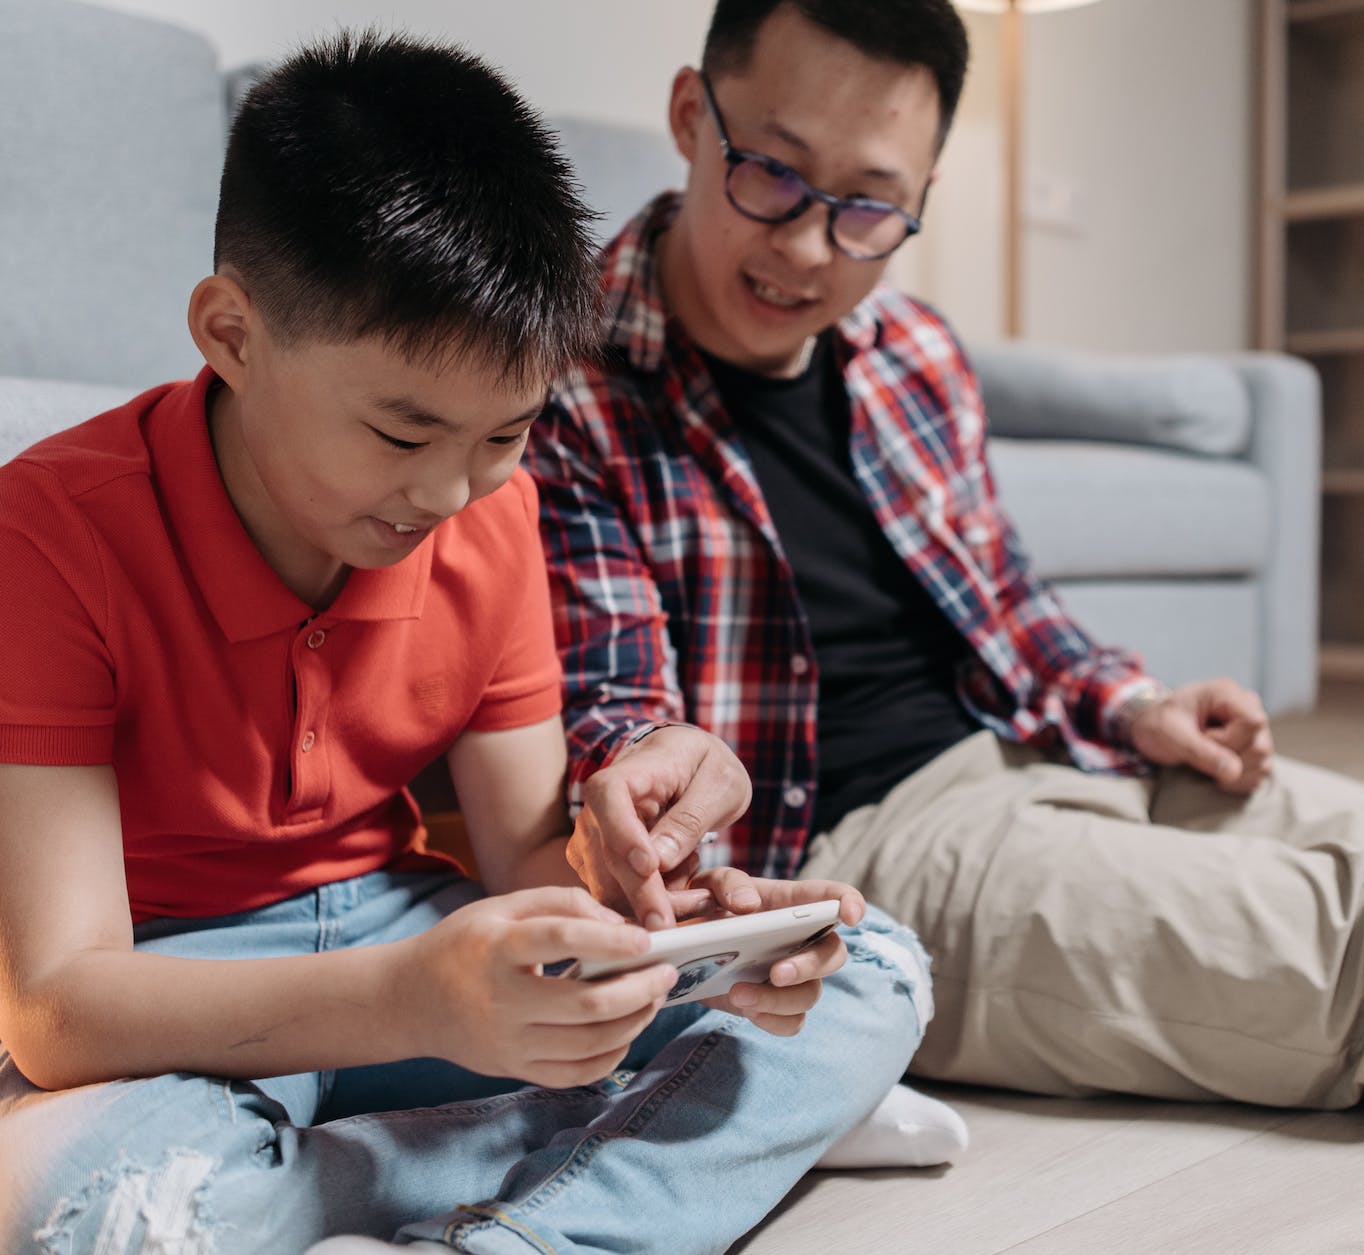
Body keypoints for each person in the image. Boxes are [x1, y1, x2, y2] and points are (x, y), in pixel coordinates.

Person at [527, 0, 1364, 1185]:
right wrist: (658, 816)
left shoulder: (909, 349)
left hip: (1031, 753)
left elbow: (1010, 607)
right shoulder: (564, 378)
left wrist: (1140, 702)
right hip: (855, 850)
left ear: (925, 189)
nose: (813, 248)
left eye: (870, 204)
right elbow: (618, 708)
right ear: (694, 118)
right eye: (771, 172)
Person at [0, 32, 934, 1255]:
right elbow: (60, 1010)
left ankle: (501, 1228)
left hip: (418, 937)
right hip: (185, 992)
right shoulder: (49, 533)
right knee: (100, 1212)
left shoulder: (495, 516)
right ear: (231, 333)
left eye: (507, 431)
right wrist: (407, 999)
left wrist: (664, 912)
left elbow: (522, 865)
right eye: (401, 432)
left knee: (867, 962)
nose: (451, 491)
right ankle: (620, 1143)